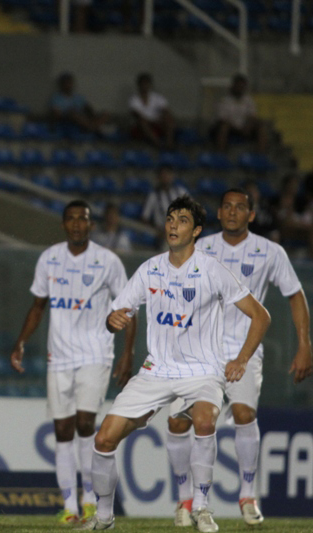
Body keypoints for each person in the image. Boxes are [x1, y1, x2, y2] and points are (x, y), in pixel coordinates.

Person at [81, 195, 271, 532]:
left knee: (203, 419)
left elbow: (261, 316)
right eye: (170, 218)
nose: (173, 224)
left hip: (203, 372)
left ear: (196, 230)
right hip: (157, 371)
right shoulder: (150, 269)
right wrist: (113, 320)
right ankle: (104, 517)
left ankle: (201, 507)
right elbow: (116, 315)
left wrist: (241, 360)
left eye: (182, 220)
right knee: (103, 439)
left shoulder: (212, 269)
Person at [165, 188, 312, 527]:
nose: (233, 212)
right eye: (227, 206)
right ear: (218, 213)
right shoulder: (200, 248)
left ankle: (247, 495)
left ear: (251, 215)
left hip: (244, 350)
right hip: (198, 352)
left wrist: (304, 343)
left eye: (240, 207)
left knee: (245, 414)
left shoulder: (269, 251)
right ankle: (184, 498)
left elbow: (295, 294)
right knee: (177, 422)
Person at [9, 200, 136, 525]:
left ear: (92, 225)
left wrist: (127, 353)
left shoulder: (108, 261)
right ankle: (69, 507)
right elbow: (38, 306)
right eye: (72, 219)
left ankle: (90, 501)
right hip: (59, 356)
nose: (78, 224)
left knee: (84, 424)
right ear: (64, 224)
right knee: (63, 430)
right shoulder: (50, 259)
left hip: (96, 353)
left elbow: (128, 308)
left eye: (84, 219)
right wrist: (21, 342)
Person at [213, 74, 267, 153]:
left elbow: (252, 116)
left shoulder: (249, 101)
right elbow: (222, 119)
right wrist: (236, 128)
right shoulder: (224, 101)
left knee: (260, 127)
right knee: (224, 127)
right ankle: (221, 153)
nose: (240, 88)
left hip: (245, 128)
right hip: (231, 129)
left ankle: (260, 156)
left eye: (242, 86)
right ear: (233, 86)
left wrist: (247, 127)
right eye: (238, 86)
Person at [141, 165, 190, 242]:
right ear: (158, 178)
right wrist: (156, 231)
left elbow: (193, 210)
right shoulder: (153, 196)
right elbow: (145, 217)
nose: (165, 178)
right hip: (163, 234)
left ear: (172, 176)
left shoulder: (181, 192)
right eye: (163, 175)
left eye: (168, 174)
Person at [129, 72, 175, 149]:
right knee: (142, 122)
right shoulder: (134, 99)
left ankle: (169, 143)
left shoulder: (157, 97)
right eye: (142, 84)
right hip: (142, 126)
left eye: (146, 83)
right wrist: (153, 121)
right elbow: (137, 115)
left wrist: (162, 118)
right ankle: (157, 143)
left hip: (157, 123)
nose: (144, 86)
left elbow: (166, 111)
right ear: (139, 85)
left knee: (168, 118)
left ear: (150, 85)